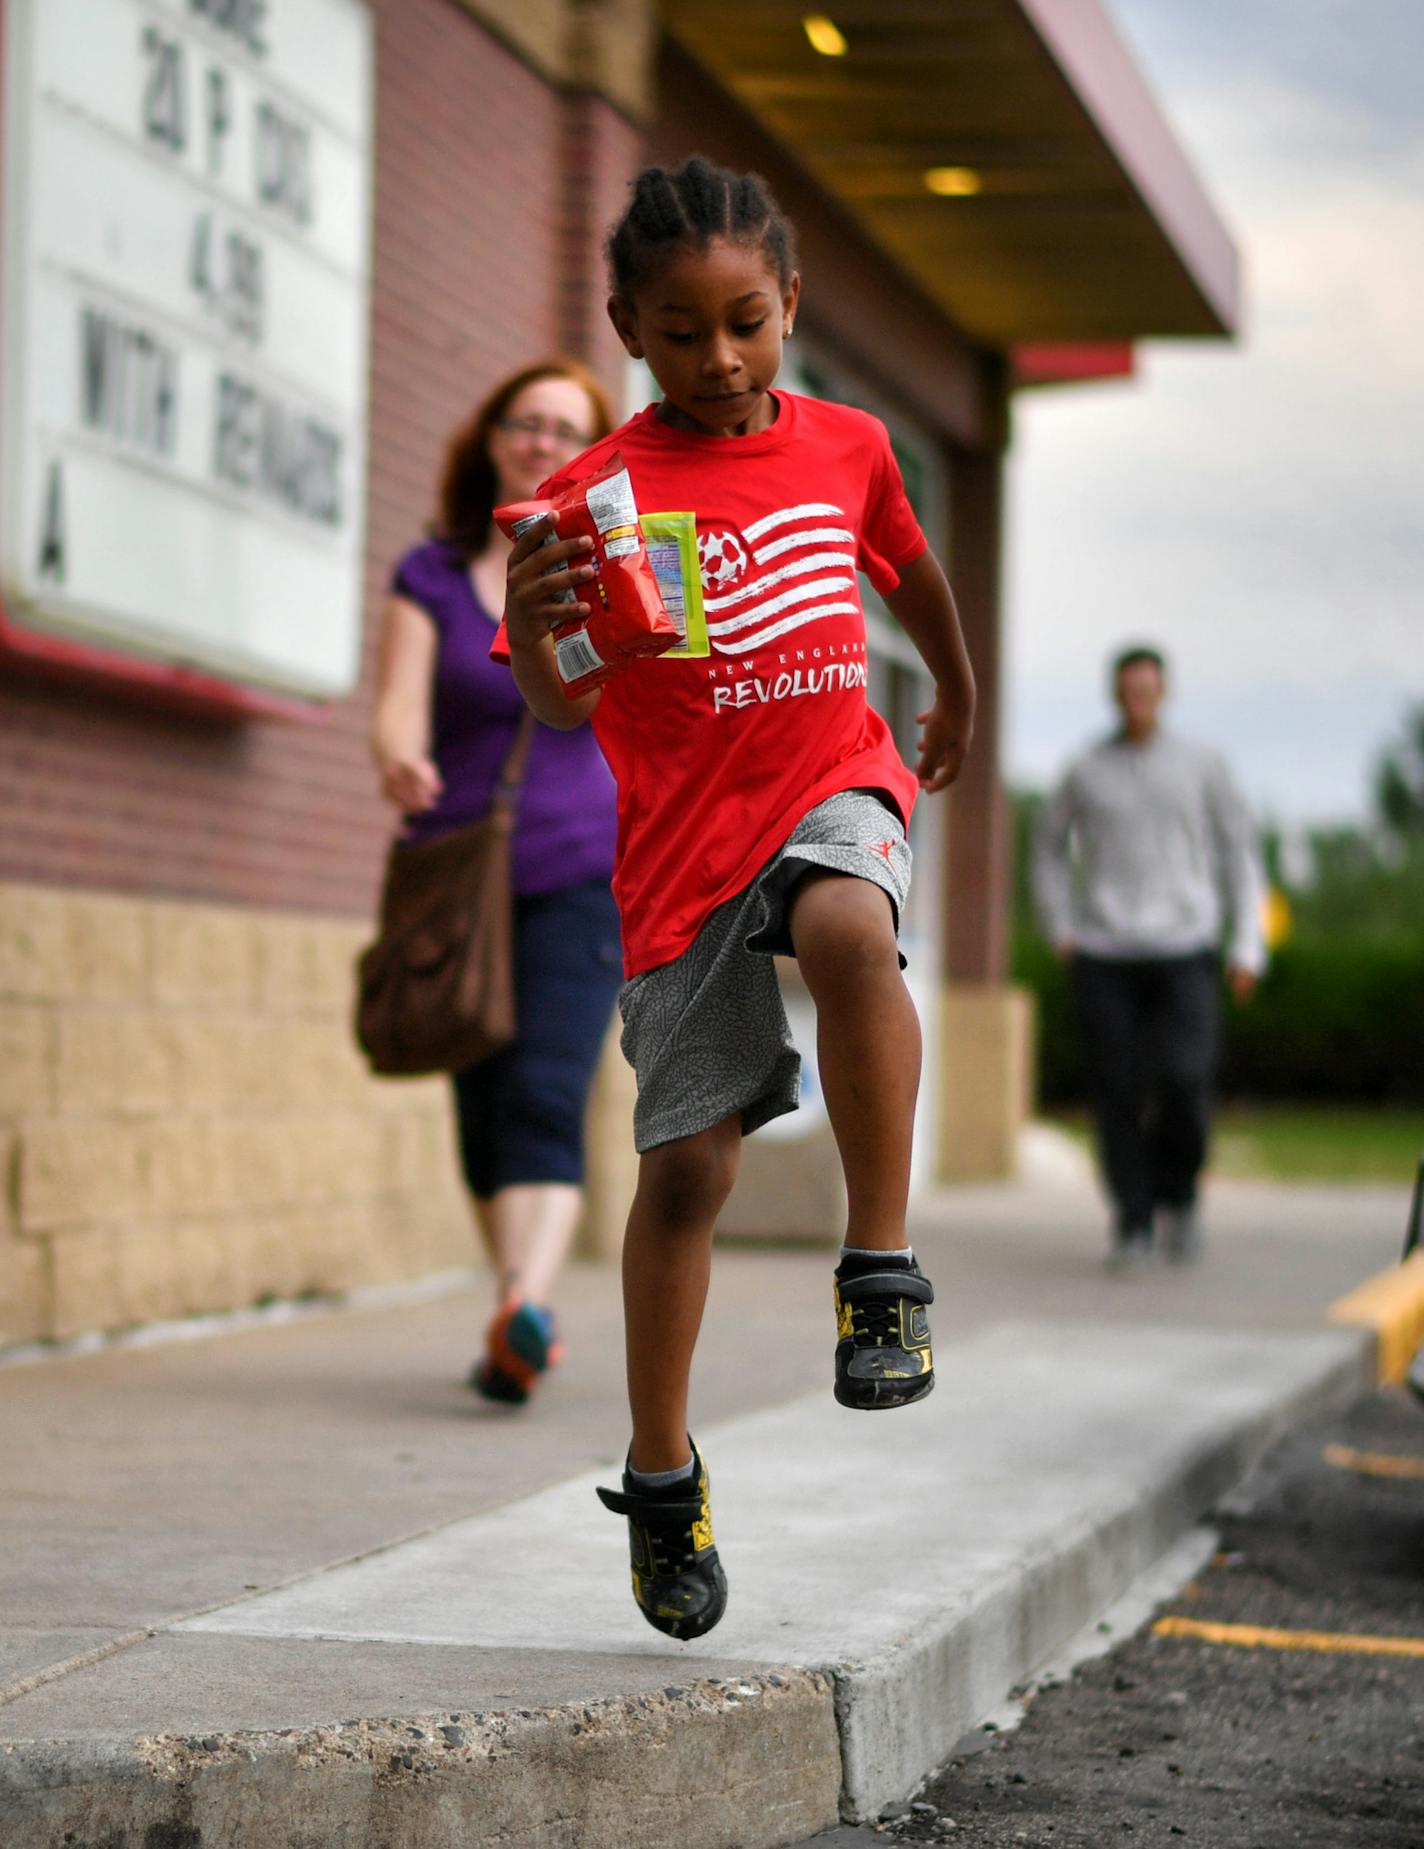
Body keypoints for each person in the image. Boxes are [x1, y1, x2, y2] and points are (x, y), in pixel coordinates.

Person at [500, 157, 976, 1639]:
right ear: (629, 325)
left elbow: (909, 568)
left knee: (849, 926)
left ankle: (881, 1269)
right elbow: (565, 706)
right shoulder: (596, 495)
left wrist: (955, 689)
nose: (721, 361)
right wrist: (534, 626)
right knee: (691, 1172)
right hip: (685, 850)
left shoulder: (848, 442)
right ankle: (660, 1476)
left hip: (836, 771)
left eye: (749, 324)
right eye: (684, 332)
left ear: (791, 308)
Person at [371, 360, 622, 1404]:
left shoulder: (612, 577)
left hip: (581, 872)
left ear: (594, 453)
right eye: (525, 422)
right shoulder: (430, 574)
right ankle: (516, 1306)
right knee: (480, 1104)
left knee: (546, 1092)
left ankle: (523, 1304)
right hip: (456, 873)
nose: (541, 441)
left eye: (566, 428)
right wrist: (395, 756)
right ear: (490, 438)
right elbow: (394, 703)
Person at [1032, 645, 1265, 1272]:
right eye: (1127, 690)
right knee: (1116, 1091)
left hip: (1186, 946)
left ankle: (1180, 1198)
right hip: (1106, 951)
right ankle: (1133, 1221)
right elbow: (1047, 849)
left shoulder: (1202, 764)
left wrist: (1248, 945)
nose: (1138, 700)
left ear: (1163, 693)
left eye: (1148, 690)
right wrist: (1062, 928)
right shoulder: (1087, 769)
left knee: (1186, 1081)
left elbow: (1240, 852)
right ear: (1115, 695)